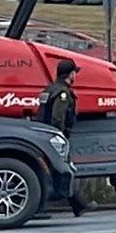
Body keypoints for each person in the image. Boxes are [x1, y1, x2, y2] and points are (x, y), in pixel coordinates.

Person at [36, 58, 88, 217]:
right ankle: (76, 204)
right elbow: (57, 118)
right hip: (54, 138)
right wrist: (60, 138)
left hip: (42, 135)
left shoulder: (49, 89)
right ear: (71, 74)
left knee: (52, 172)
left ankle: (78, 205)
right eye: (74, 73)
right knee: (62, 170)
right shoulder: (62, 93)